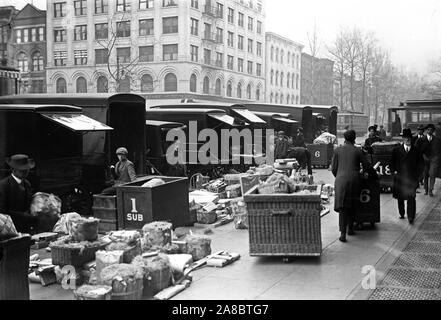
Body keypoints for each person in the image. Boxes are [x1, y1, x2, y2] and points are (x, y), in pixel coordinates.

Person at [332, 130, 373, 243]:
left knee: (342, 207)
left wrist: (340, 176)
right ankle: (350, 228)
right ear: (354, 139)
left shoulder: (337, 150)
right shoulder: (358, 151)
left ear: (344, 139)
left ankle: (342, 233)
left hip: (341, 181)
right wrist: (367, 174)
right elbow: (366, 166)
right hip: (354, 180)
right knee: (352, 205)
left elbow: (334, 168)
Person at [391, 129, 424, 224]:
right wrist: (394, 172)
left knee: (411, 197)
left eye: (409, 138)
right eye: (405, 138)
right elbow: (392, 163)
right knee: (400, 197)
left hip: (412, 178)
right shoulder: (396, 150)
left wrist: (418, 175)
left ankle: (411, 216)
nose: (407, 139)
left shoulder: (416, 151)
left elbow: (421, 164)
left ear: (411, 138)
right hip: (400, 178)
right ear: (403, 139)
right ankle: (402, 213)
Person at [0, 154, 38, 234]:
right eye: (21, 170)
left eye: (26, 169)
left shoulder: (27, 184)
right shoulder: (4, 185)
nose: (25, 172)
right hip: (10, 229)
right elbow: (2, 211)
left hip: (27, 228)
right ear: (13, 169)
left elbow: (29, 203)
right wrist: (22, 216)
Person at [419, 124, 441, 197]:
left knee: (432, 174)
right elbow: (417, 150)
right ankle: (426, 189)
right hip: (424, 159)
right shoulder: (421, 140)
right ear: (426, 130)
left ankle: (431, 190)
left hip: (433, 159)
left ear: (433, 131)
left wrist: (437, 158)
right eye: (428, 130)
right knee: (425, 174)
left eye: (431, 130)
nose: (429, 131)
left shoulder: (437, 140)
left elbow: (439, 151)